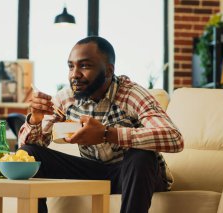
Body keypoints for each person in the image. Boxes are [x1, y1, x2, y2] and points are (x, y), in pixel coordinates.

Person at [18, 36, 184, 213]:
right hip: (93, 174)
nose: (74, 74)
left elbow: (174, 138)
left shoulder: (131, 94)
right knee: (30, 153)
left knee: (141, 156)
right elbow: (31, 146)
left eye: (85, 66)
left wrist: (107, 133)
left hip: (133, 174)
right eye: (71, 66)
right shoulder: (66, 98)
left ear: (108, 71)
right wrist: (35, 120)